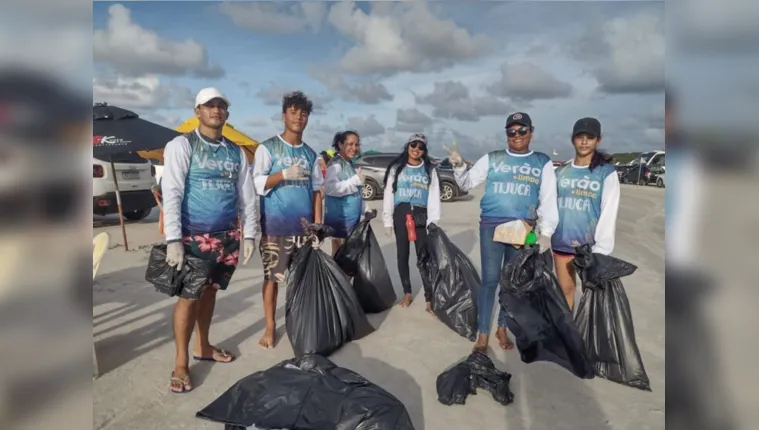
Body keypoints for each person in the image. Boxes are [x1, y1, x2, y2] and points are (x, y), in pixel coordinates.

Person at [162, 87, 259, 393]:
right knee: (189, 297)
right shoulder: (182, 145)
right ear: (198, 111)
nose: (216, 110)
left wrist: (250, 233)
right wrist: (173, 238)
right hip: (194, 236)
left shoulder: (235, 152)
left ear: (226, 113)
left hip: (227, 235)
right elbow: (172, 192)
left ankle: (203, 346)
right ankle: (180, 362)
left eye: (221, 106)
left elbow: (247, 196)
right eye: (209, 105)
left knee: (211, 293)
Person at [445, 112, 558, 352]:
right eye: (511, 131)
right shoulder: (493, 158)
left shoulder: (542, 161)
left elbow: (548, 199)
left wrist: (546, 232)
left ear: (531, 131)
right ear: (506, 134)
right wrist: (458, 165)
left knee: (511, 284)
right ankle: (483, 333)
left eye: (522, 130)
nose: (516, 136)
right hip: (492, 227)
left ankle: (502, 327)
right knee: (489, 281)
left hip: (522, 229)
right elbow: (466, 184)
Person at [252, 91, 323, 349]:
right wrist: (282, 174)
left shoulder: (312, 154)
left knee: (303, 282)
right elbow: (256, 183)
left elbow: (317, 191)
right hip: (276, 229)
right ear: (284, 116)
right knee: (272, 279)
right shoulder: (268, 147)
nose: (299, 117)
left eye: (303, 113)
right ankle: (270, 327)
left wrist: (317, 227)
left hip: (304, 231)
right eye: (294, 112)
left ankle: (300, 324)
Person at [551, 117, 620, 311]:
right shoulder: (561, 172)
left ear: (598, 139)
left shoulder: (606, 173)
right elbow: (548, 204)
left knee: (592, 296)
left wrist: (602, 249)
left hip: (590, 247)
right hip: (562, 241)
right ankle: (568, 337)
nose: (584, 141)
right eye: (580, 137)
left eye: (589, 137)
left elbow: (609, 211)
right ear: (573, 139)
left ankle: (588, 338)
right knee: (565, 291)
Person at [382, 133, 441, 310]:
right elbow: (388, 194)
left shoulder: (430, 169)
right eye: (413, 145)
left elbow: (434, 196)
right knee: (402, 254)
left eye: (421, 147)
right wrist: (387, 220)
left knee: (424, 256)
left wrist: (434, 221)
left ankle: (429, 298)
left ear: (425, 150)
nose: (416, 149)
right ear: (407, 146)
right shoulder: (397, 168)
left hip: (421, 214)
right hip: (401, 212)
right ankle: (407, 292)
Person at [324, 130, 366, 255]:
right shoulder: (336, 164)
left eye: (357, 145)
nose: (354, 148)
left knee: (348, 260)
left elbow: (356, 191)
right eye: (350, 144)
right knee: (340, 259)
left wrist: (365, 208)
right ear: (340, 145)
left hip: (352, 222)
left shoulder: (349, 164)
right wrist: (355, 180)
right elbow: (331, 188)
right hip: (340, 222)